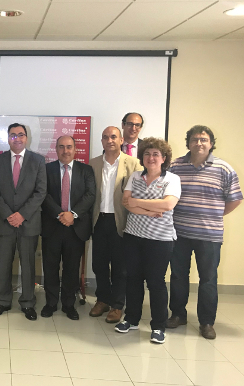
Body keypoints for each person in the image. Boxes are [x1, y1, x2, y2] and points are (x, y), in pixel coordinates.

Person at [167, 125, 242, 339]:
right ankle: (178, 315)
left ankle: (207, 322)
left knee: (208, 279)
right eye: (194, 139)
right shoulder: (175, 166)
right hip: (179, 233)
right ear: (188, 142)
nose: (199, 143)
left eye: (203, 139)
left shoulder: (224, 169)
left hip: (209, 236)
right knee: (178, 276)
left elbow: (235, 200)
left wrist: (213, 214)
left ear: (211, 143)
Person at [115, 137, 181, 344]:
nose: (151, 158)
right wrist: (151, 209)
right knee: (133, 279)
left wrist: (137, 202)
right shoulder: (135, 176)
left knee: (156, 282)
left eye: (155, 154)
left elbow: (168, 205)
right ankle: (131, 319)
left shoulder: (172, 179)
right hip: (133, 236)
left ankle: (158, 326)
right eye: (147, 154)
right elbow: (126, 203)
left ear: (164, 158)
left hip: (160, 240)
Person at [0, 123, 47, 320]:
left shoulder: (38, 161)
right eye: (13, 135)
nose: (17, 138)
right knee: (4, 263)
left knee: (28, 264)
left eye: (21, 135)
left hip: (28, 222)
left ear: (26, 138)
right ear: (8, 138)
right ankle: (3, 301)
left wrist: (22, 215)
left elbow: (41, 192)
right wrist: (8, 214)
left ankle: (28, 303)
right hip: (4, 222)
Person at [89, 127, 141, 323]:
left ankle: (117, 305)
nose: (109, 140)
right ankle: (102, 300)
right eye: (105, 137)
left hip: (121, 221)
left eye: (113, 137)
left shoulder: (133, 163)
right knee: (99, 264)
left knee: (120, 266)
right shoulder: (93, 163)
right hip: (99, 219)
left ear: (121, 140)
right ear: (102, 141)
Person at [41, 136, 95, 321]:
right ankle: (50, 302)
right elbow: (43, 194)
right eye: (62, 147)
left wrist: (73, 214)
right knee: (50, 267)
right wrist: (60, 214)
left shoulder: (86, 170)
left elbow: (90, 195)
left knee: (72, 268)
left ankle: (69, 304)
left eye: (69, 147)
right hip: (52, 225)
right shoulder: (46, 169)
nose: (66, 151)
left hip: (75, 227)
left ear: (75, 149)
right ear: (56, 149)